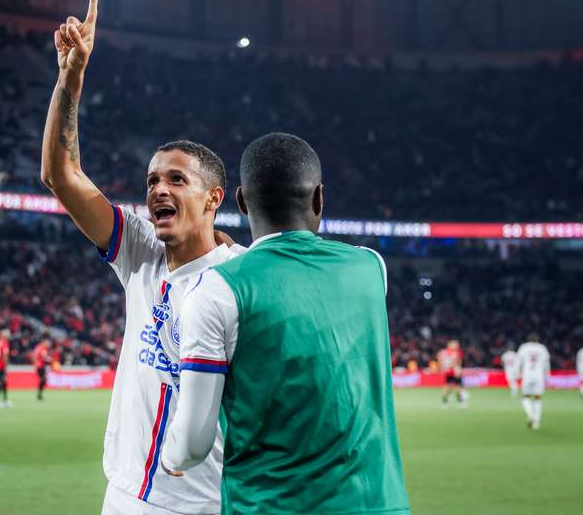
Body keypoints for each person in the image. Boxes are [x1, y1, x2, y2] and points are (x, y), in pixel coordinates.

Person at [40, 0, 243, 515]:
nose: (158, 189)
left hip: (202, 502)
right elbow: (60, 176)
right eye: (152, 179)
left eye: (177, 179)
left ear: (214, 198)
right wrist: (71, 79)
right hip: (126, 496)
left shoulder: (243, 277)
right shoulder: (139, 250)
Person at [160, 133, 410, 515]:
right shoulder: (371, 267)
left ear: (242, 202)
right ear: (319, 198)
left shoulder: (217, 291)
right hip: (377, 504)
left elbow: (194, 444)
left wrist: (171, 459)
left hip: (269, 506)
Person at [516, 333, 551, 430]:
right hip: (538, 375)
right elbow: (546, 363)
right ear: (538, 340)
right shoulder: (542, 348)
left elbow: (518, 362)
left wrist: (517, 373)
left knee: (525, 397)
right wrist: (547, 376)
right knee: (538, 398)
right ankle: (536, 421)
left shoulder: (524, 347)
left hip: (527, 375)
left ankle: (530, 414)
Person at [437, 339, 468, 408]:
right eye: (456, 344)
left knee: (450, 388)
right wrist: (457, 369)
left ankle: (445, 402)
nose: (457, 346)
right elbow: (457, 363)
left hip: (448, 372)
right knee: (457, 388)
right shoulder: (454, 353)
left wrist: (443, 368)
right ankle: (461, 402)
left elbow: (439, 359)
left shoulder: (443, 352)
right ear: (450, 345)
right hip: (453, 372)